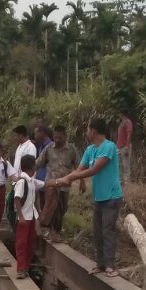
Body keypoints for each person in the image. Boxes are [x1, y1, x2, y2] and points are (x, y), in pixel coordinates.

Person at [49, 117, 124, 275]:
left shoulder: (109, 147)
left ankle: (110, 266)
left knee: (107, 231)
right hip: (99, 197)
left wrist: (69, 178)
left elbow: (94, 169)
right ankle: (100, 264)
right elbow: (80, 168)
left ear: (94, 130)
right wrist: (63, 179)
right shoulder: (90, 150)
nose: (87, 132)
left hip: (111, 196)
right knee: (97, 231)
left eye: (88, 129)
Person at [36, 124, 80, 239]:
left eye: (60, 138)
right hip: (51, 184)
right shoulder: (48, 148)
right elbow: (39, 163)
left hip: (65, 185)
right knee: (52, 208)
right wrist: (27, 172)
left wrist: (82, 181)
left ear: (65, 137)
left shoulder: (71, 149)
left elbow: (78, 166)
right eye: (55, 137)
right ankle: (52, 232)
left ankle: (55, 231)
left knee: (62, 209)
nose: (57, 140)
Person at [12, 154, 44, 278]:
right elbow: (17, 199)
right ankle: (20, 269)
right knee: (21, 244)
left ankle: (25, 267)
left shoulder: (31, 182)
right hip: (24, 219)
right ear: (32, 167)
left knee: (30, 245)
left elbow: (43, 185)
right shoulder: (22, 181)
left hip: (30, 218)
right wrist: (20, 217)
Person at [116, 109, 134, 184]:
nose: (119, 115)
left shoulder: (128, 122)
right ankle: (120, 182)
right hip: (119, 147)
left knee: (125, 166)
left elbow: (129, 134)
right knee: (119, 165)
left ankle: (127, 183)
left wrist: (127, 147)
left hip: (124, 147)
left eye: (119, 113)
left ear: (122, 113)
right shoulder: (121, 123)